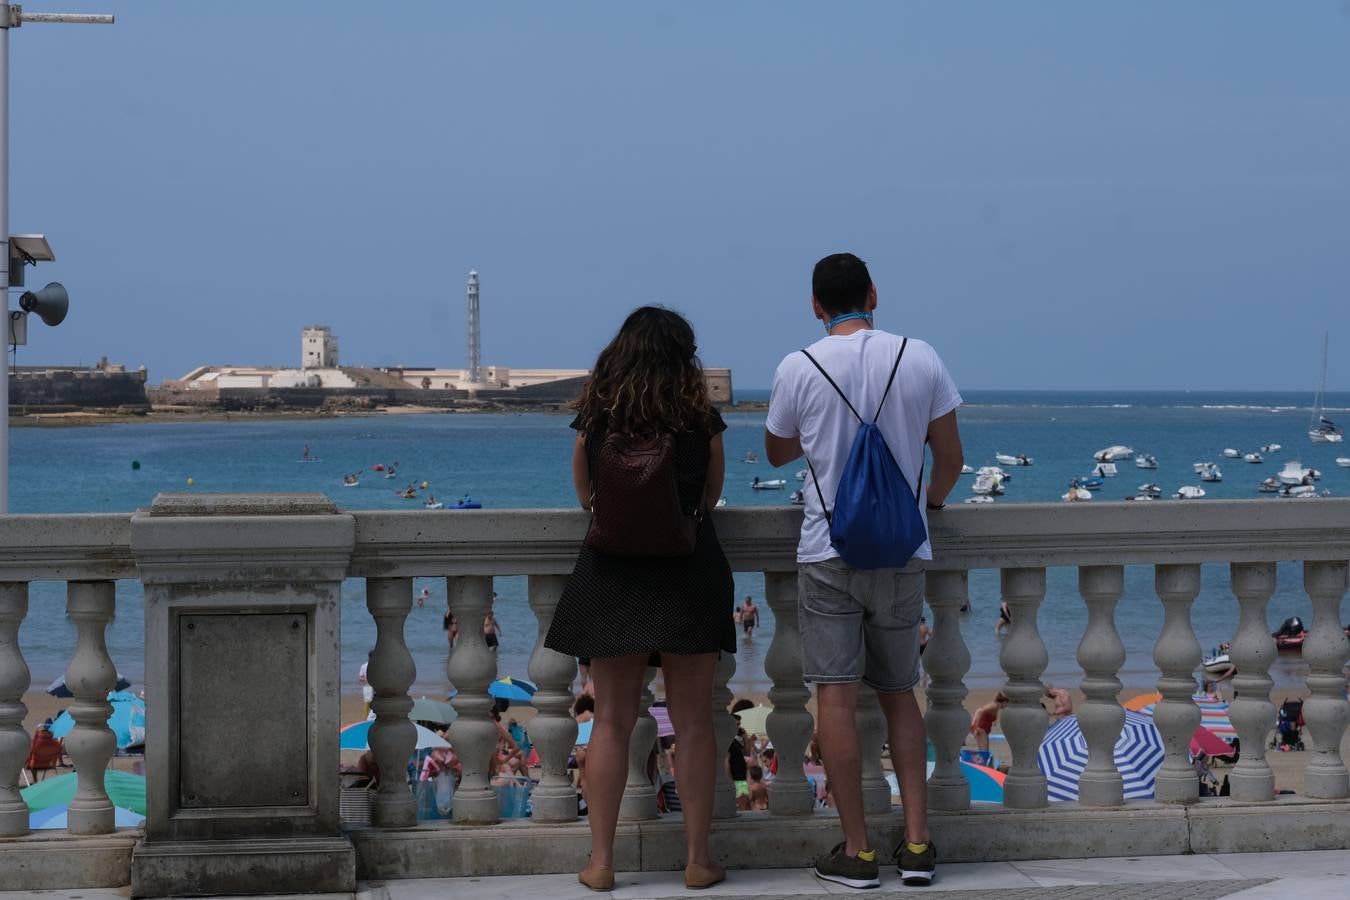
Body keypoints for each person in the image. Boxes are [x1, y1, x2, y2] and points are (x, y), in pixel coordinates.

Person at [765, 253, 962, 889]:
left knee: (837, 700)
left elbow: (776, 450)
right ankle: (917, 844)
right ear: (874, 293)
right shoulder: (921, 357)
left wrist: (823, 431)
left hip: (829, 551)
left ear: (816, 307)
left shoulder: (799, 366)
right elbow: (951, 459)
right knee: (901, 692)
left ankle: (858, 853)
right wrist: (924, 508)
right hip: (902, 553)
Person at [544, 306, 734, 892]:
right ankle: (698, 861)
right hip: (687, 571)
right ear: (684, 357)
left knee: (610, 722)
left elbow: (584, 493)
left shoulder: (599, 414)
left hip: (614, 572)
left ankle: (602, 862)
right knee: (695, 722)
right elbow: (711, 494)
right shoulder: (700, 416)